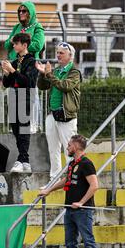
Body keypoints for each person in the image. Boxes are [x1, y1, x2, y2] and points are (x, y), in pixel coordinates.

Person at [38, 134, 99, 248]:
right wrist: (49, 190)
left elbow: (94, 185)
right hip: (69, 209)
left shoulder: (86, 163)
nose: (67, 148)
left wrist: (81, 202)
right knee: (70, 243)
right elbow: (67, 180)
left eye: (69, 145)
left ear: (76, 147)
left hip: (82, 210)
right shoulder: (72, 163)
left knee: (88, 242)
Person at [36, 42, 82, 181]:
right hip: (52, 114)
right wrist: (43, 74)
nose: (58, 55)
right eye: (57, 52)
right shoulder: (55, 71)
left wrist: (49, 74)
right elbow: (42, 86)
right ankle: (54, 177)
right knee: (53, 148)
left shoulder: (74, 72)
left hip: (66, 116)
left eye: (61, 53)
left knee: (70, 149)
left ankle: (72, 178)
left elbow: (65, 86)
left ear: (70, 56)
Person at [4, 2, 45, 134]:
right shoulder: (17, 27)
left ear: (31, 13)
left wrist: (23, 46)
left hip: (30, 63)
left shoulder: (37, 27)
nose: (21, 13)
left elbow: (38, 45)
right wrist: (13, 42)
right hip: (16, 63)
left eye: (24, 11)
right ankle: (16, 124)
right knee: (15, 93)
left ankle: (33, 123)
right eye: (20, 11)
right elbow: (6, 44)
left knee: (32, 94)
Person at [2, 33, 39, 173]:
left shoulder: (31, 61)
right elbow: (7, 84)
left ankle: (23, 159)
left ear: (24, 45)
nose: (14, 45)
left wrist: (12, 71)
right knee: (16, 128)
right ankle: (24, 160)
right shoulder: (14, 61)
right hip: (13, 95)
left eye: (16, 43)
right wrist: (7, 73)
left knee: (23, 127)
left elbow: (27, 82)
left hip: (25, 96)